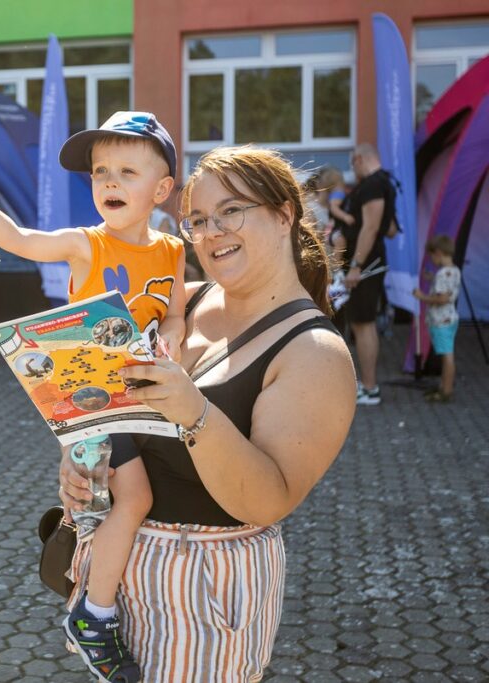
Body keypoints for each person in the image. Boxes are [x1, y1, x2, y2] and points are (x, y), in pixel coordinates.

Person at [59, 145, 356, 681]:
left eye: (231, 211)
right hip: (119, 577)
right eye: (197, 219)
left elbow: (269, 499)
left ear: (284, 214)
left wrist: (195, 413)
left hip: (205, 593)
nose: (211, 231)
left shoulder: (315, 353)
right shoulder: (184, 302)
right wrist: (83, 465)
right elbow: (111, 409)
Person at [0, 111, 187, 683]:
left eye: (127, 170)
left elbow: (170, 315)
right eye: (101, 172)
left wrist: (170, 344)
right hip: (92, 398)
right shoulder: (84, 244)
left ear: (163, 189)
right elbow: (20, 240)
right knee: (136, 500)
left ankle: (74, 545)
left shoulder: (173, 250)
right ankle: (92, 617)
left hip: (144, 396)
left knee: (106, 505)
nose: (110, 183)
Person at [342, 144, 397, 406]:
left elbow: (372, 227)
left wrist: (355, 265)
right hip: (370, 264)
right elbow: (391, 229)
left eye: (354, 164)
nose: (354, 169)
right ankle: (368, 384)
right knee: (362, 323)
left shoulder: (374, 185)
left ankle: (370, 387)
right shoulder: (384, 183)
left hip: (366, 267)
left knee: (363, 325)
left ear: (361, 159)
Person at [413, 235, 462, 403]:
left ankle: (446, 391)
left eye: (432, 256)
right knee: (446, 354)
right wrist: (432, 279)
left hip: (441, 322)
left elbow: (441, 299)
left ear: (439, 253)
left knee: (447, 357)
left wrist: (422, 296)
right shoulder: (454, 270)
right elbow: (447, 291)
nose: (432, 260)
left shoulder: (442, 274)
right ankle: (444, 386)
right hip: (450, 319)